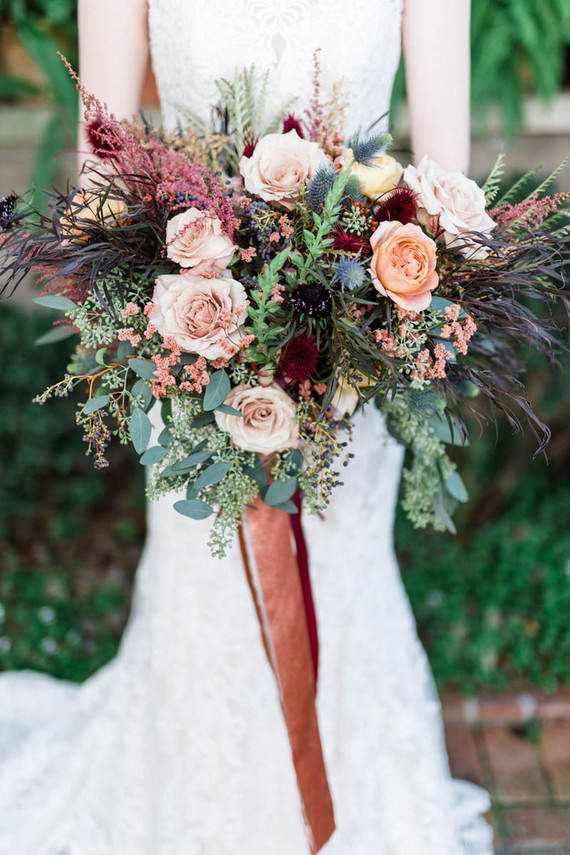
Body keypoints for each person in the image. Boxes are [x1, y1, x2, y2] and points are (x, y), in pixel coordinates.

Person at [0, 1, 495, 852]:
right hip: (192, 340)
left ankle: (359, 811)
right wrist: (196, 326)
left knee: (346, 579)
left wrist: (376, 319)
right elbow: (102, 181)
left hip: (355, 357)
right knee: (204, 597)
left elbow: (452, 200)